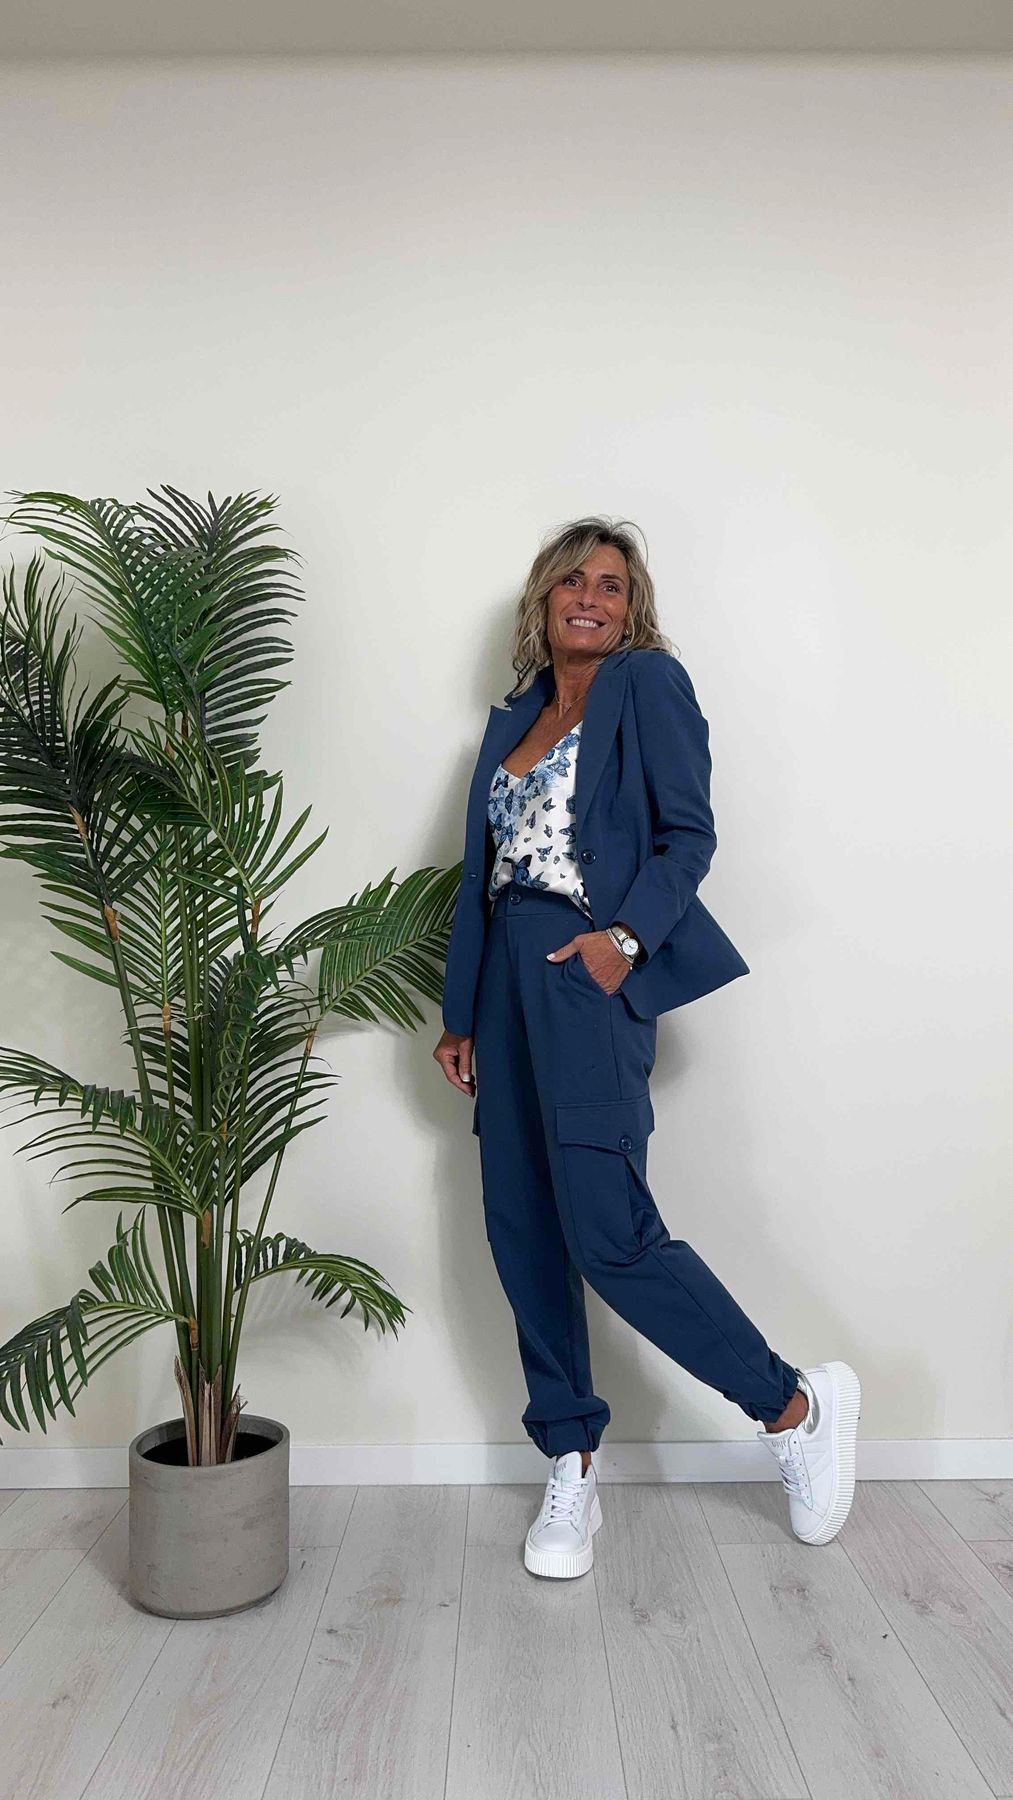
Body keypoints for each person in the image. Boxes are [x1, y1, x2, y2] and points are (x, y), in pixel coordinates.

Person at [433, 516, 861, 1580]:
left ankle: (792, 1407)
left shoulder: (647, 685)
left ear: (631, 610)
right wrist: (460, 1012)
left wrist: (620, 943)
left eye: (611, 586)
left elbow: (687, 836)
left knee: (608, 1231)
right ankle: (570, 1459)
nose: (590, 597)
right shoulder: (512, 719)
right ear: (542, 598)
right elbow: (479, 873)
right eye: (572, 580)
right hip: (502, 984)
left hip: (583, 973)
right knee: (520, 1225)